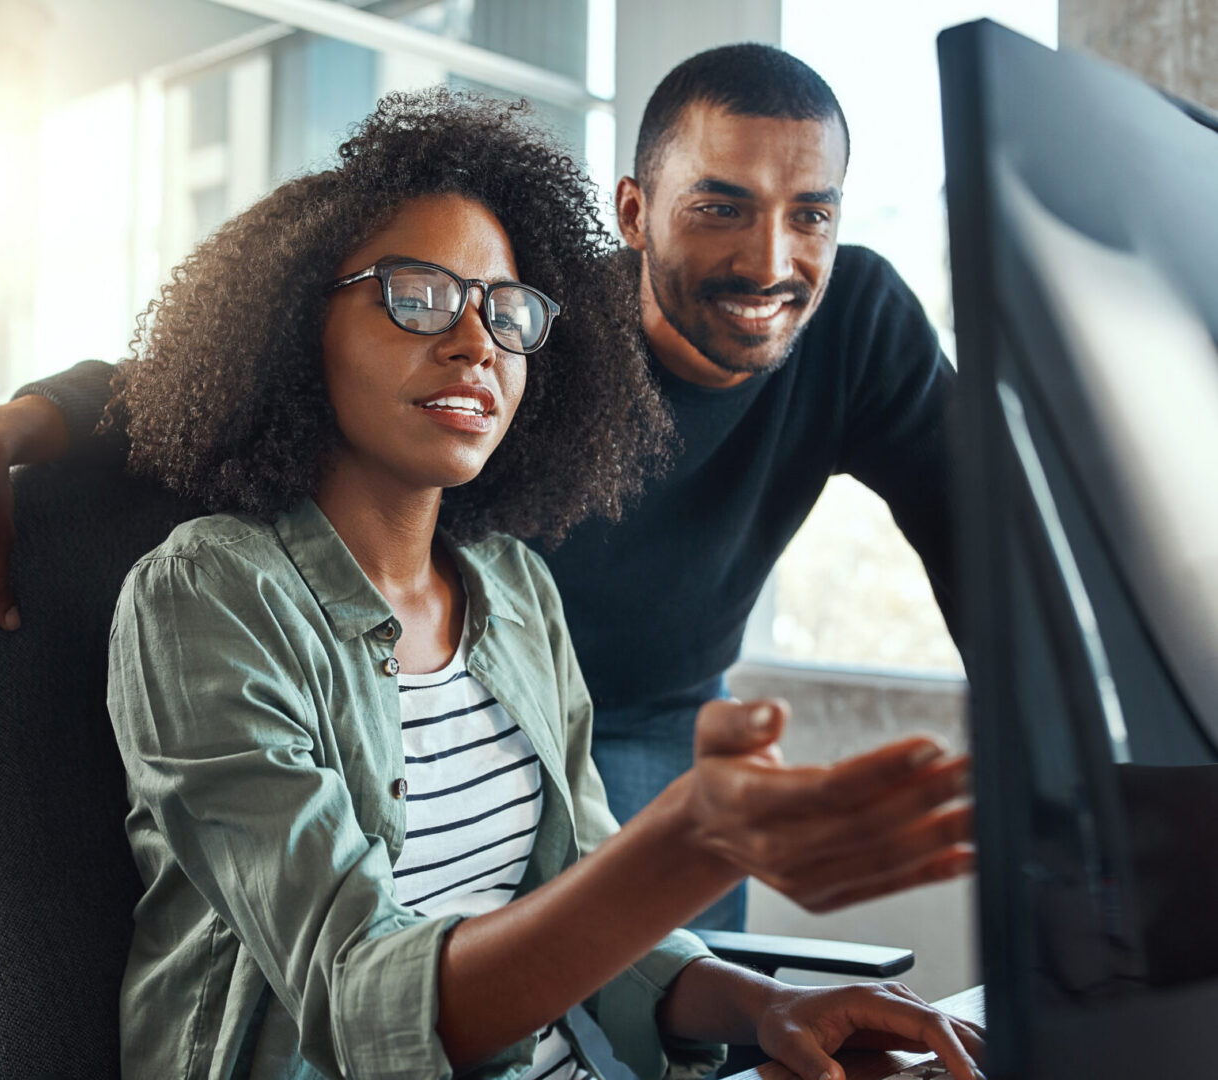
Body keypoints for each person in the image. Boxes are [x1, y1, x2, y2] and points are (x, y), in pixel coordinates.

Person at [0, 45, 970, 928]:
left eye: (809, 214)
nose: (769, 260)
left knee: (670, 1017)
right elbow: (227, 369)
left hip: (655, 716)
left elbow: (986, 542)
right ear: (636, 211)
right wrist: (7, 423)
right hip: (470, 690)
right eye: (721, 208)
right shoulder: (529, 318)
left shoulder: (854, 325)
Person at [88, 88, 981, 1080]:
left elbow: (587, 899)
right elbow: (354, 1002)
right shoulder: (210, 596)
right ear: (299, 320)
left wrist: (769, 1007)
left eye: (504, 312)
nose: (476, 343)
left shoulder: (512, 587)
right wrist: (692, 842)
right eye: (418, 294)